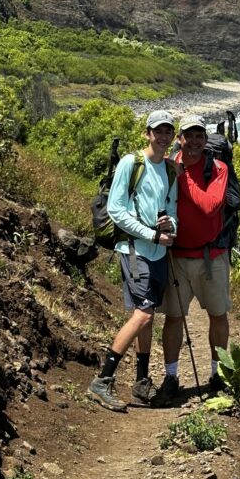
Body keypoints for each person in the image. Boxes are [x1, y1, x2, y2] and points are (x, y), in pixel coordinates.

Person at [88, 111, 178, 412]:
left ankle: (141, 382)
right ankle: (103, 380)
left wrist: (170, 228)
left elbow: (172, 209)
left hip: (159, 253)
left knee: (147, 316)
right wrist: (151, 236)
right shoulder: (131, 163)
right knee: (143, 315)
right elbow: (117, 210)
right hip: (135, 251)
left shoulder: (169, 168)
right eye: (158, 131)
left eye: (168, 131)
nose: (163, 136)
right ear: (147, 133)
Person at [157, 114, 236, 401]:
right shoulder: (166, 166)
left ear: (205, 140)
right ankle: (170, 376)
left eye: (199, 136)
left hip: (210, 255)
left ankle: (218, 373)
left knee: (217, 315)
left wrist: (183, 178)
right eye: (188, 135)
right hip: (176, 255)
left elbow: (210, 205)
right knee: (174, 318)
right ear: (180, 138)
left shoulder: (217, 168)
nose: (194, 142)